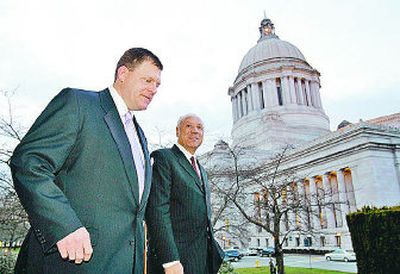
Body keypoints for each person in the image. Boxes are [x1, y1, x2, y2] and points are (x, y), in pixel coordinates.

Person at [10, 47, 162, 274]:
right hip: (74, 263)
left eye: (158, 84)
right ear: (123, 73)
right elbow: (29, 162)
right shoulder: (78, 104)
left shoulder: (139, 134)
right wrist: (63, 226)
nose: (153, 89)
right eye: (148, 80)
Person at [145, 114, 224, 274]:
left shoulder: (201, 169)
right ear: (177, 131)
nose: (195, 131)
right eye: (189, 126)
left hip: (202, 260)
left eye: (199, 127)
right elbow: (157, 210)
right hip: (175, 263)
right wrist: (170, 260)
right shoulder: (164, 158)